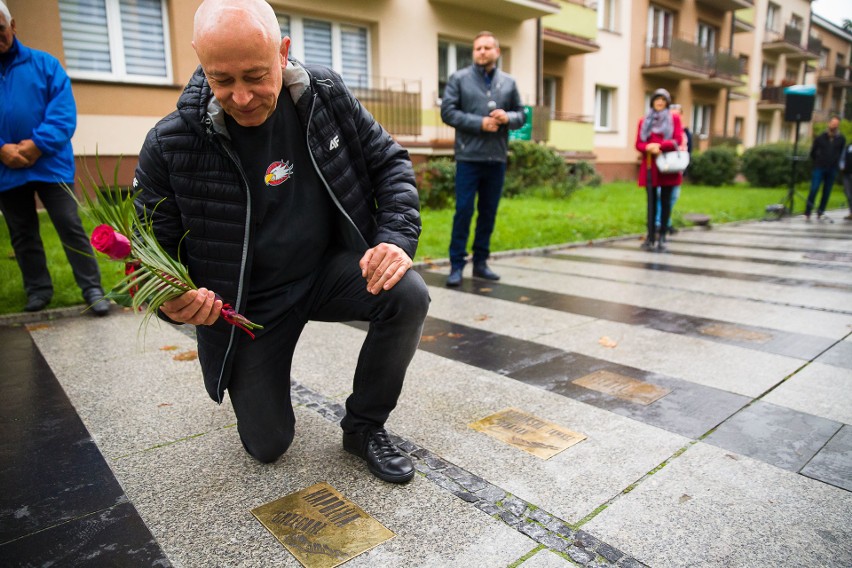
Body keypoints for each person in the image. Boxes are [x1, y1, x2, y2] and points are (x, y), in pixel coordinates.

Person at [133, 0, 428, 484]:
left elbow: (390, 163)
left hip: (326, 272)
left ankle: (365, 427)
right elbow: (150, 252)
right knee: (268, 445)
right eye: (222, 80)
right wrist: (172, 299)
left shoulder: (326, 96)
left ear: (283, 51)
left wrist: (395, 238)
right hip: (249, 307)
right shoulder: (170, 144)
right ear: (199, 60)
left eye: (255, 75)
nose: (242, 96)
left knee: (407, 295)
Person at [0, 3, 108, 315]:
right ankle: (38, 291)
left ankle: (92, 288)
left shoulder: (45, 65)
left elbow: (63, 115)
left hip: (50, 164)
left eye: (0, 29)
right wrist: (3, 149)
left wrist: (35, 145)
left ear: (13, 26)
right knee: (22, 233)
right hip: (6, 169)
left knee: (68, 223)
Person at [441, 31, 526, 287]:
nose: (482, 52)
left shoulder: (509, 83)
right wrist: (480, 123)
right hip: (468, 157)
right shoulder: (459, 79)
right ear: (474, 52)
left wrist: (507, 118)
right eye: (478, 48)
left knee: (488, 213)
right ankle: (456, 265)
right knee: (464, 211)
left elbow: (521, 115)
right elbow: (448, 112)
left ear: (496, 52)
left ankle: (481, 263)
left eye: (487, 47)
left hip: (496, 158)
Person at [635, 88, 683, 252]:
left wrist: (660, 146)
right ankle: (650, 236)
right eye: (657, 99)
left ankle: (662, 235)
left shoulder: (673, 118)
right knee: (651, 203)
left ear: (667, 102)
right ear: (652, 102)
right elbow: (638, 144)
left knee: (666, 201)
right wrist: (648, 147)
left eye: (663, 99)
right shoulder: (644, 121)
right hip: (650, 167)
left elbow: (677, 140)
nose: (660, 102)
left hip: (668, 167)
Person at [655, 103, 691, 236]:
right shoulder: (664, 130)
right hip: (664, 168)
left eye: (677, 114)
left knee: (673, 197)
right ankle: (660, 223)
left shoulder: (685, 132)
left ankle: (666, 222)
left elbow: (688, 151)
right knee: (661, 196)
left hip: (678, 169)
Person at [806, 115, 845, 222]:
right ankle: (808, 211)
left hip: (832, 168)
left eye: (836, 124)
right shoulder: (820, 137)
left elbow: (841, 153)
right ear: (829, 123)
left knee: (826, 191)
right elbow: (813, 152)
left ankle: (821, 211)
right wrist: (817, 161)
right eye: (833, 123)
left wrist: (837, 165)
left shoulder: (841, 139)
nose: (834, 125)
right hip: (819, 167)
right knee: (814, 188)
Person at [840, 138, 852, 221]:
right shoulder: (848, 147)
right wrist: (842, 167)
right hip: (847, 174)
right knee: (849, 194)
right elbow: (842, 159)